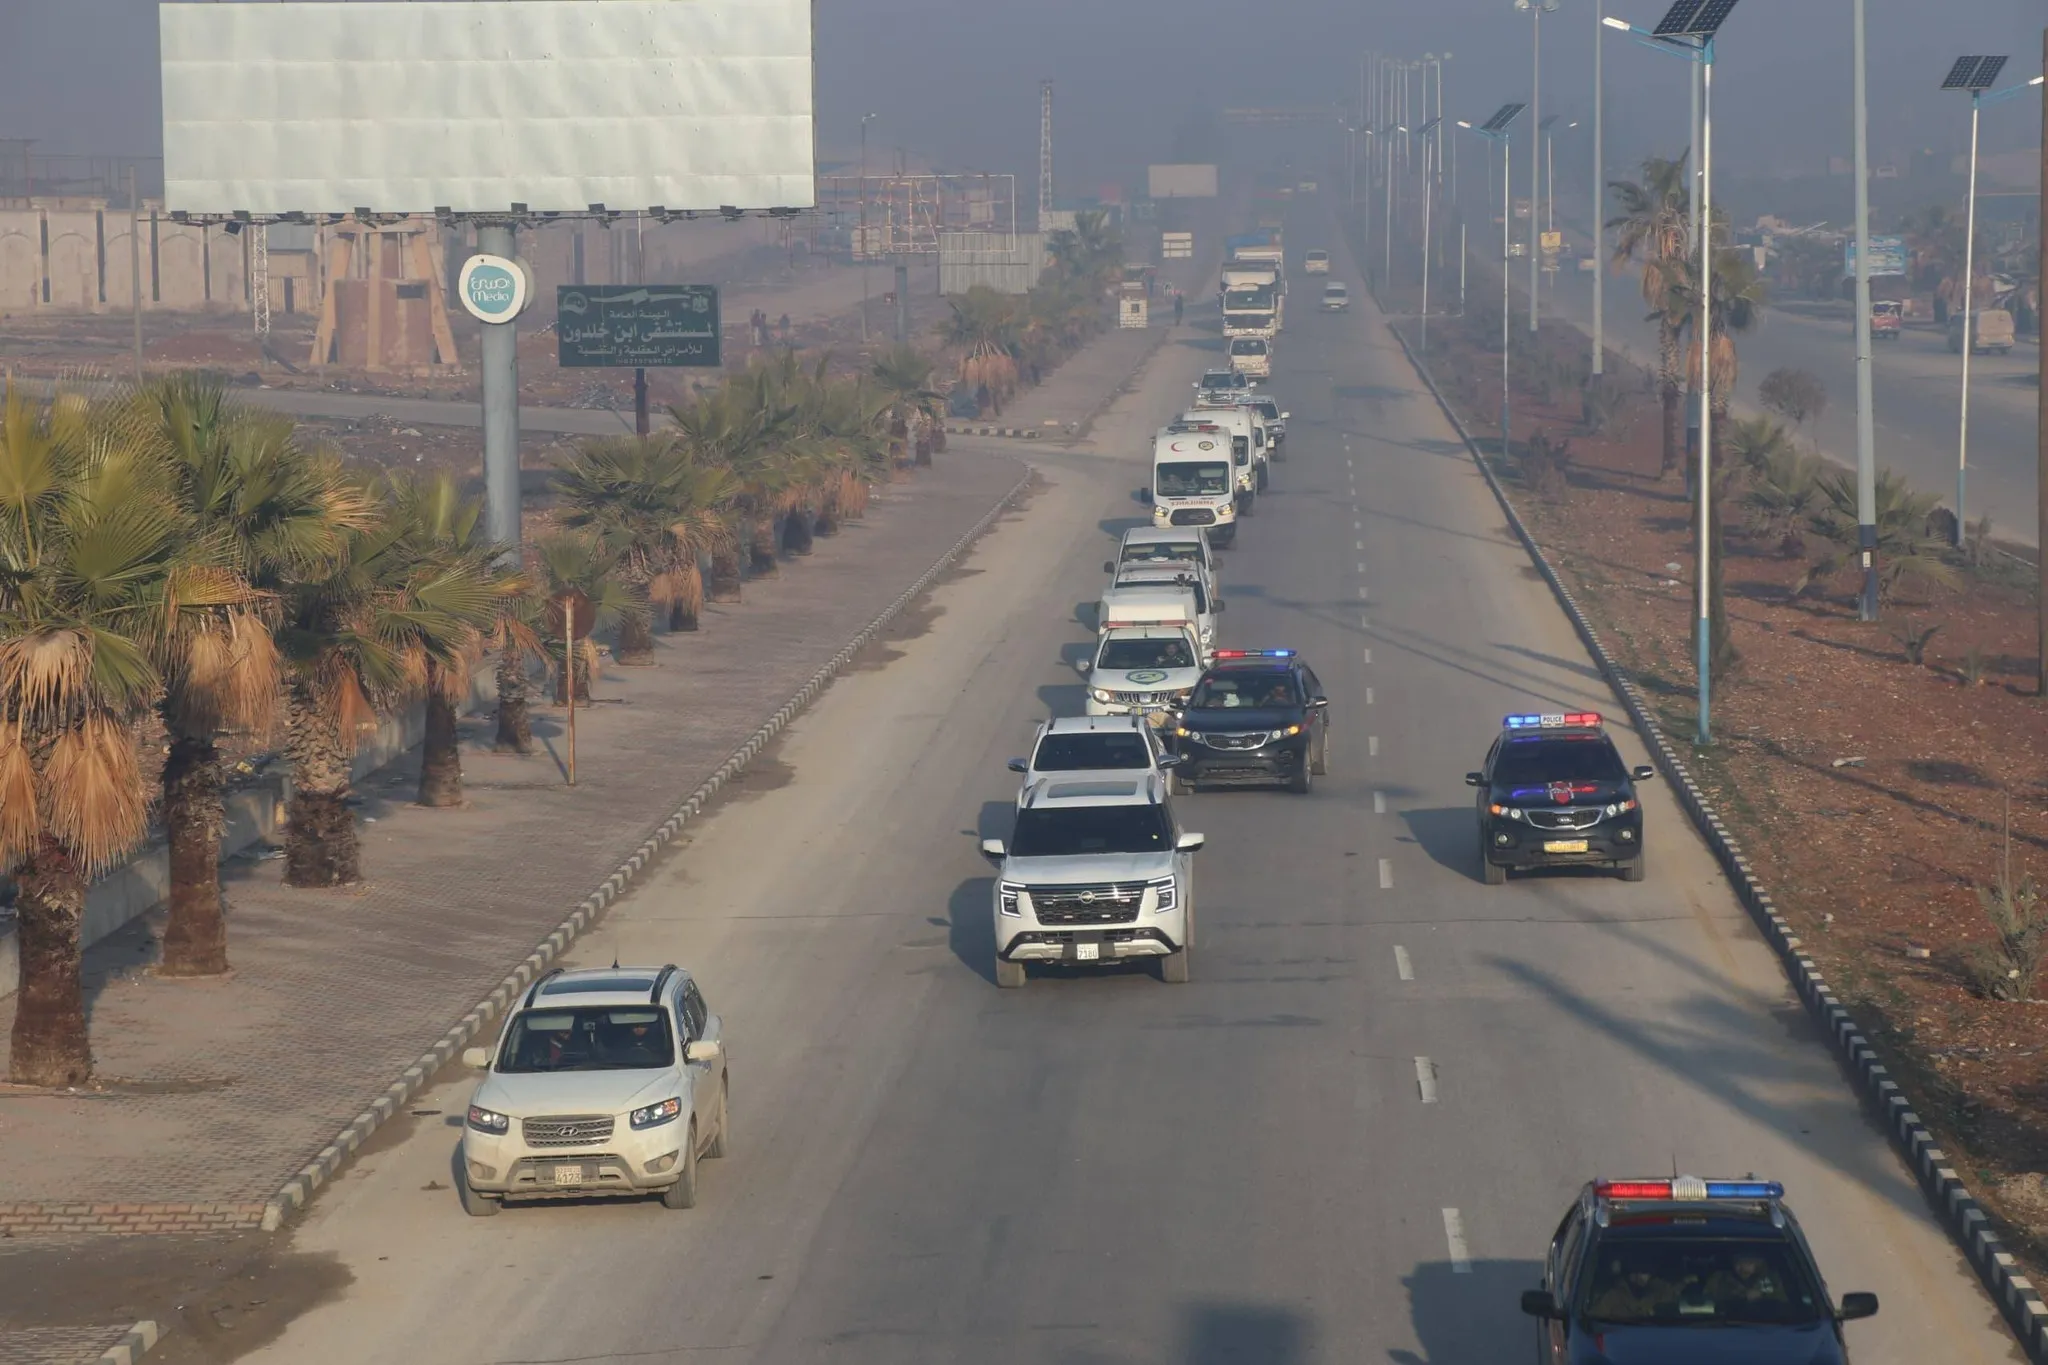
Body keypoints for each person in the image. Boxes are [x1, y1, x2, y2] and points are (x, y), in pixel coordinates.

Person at [1586, 1257, 1668, 1322]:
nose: (1644, 1276)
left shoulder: (1657, 1292)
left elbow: (1675, 1300)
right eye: (1639, 1271)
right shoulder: (1613, 1298)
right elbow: (1593, 1321)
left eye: (1646, 1271)